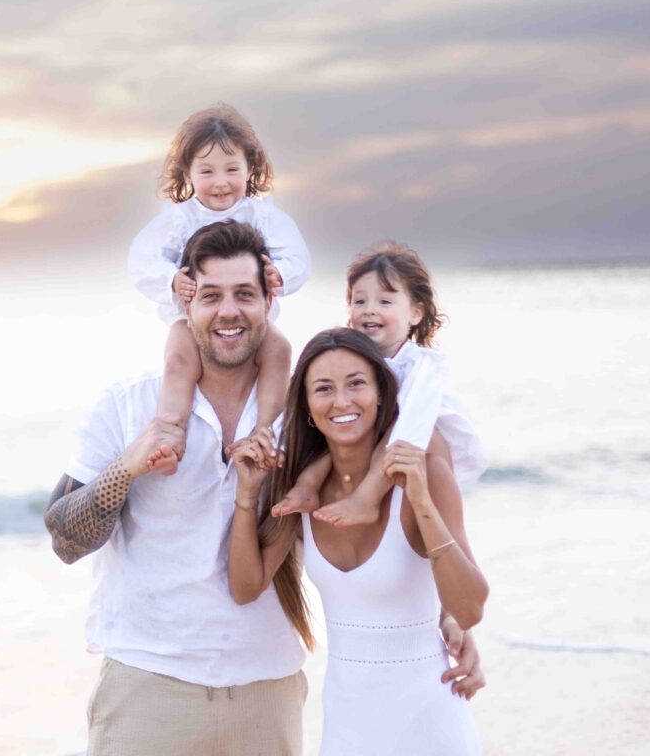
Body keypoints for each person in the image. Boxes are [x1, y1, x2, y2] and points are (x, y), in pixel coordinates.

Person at [45, 222, 481, 756]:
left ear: (270, 299)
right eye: (211, 295)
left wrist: (449, 619)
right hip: (148, 684)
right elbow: (65, 541)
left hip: (267, 691)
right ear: (186, 302)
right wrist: (126, 469)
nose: (228, 311)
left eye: (244, 294)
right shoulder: (130, 407)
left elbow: (396, 502)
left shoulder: (308, 409)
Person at [228, 327, 489, 755]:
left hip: (432, 728)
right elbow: (245, 586)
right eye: (324, 388)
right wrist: (247, 495)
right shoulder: (301, 491)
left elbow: (469, 608)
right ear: (308, 407)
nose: (342, 402)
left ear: (382, 394)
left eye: (356, 384)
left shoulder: (424, 473)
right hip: (347, 731)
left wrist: (421, 500)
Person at [127, 103, 311, 475]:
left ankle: (266, 435)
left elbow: (298, 255)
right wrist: (170, 279)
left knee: (280, 349)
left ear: (250, 168)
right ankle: (170, 433)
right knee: (179, 359)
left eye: (232, 169)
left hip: (251, 324)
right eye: (207, 171)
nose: (221, 182)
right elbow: (141, 259)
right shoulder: (180, 219)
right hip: (191, 321)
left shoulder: (262, 215)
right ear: (188, 173)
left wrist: (281, 273)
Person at [274, 241, 486, 526]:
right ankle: (307, 486)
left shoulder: (422, 365)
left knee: (388, 429)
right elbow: (300, 394)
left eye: (385, 302)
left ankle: (366, 500)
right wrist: (277, 442)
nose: (369, 310)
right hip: (372, 432)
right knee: (334, 423)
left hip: (415, 436)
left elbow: (413, 421)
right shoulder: (350, 358)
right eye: (359, 301)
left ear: (415, 313)